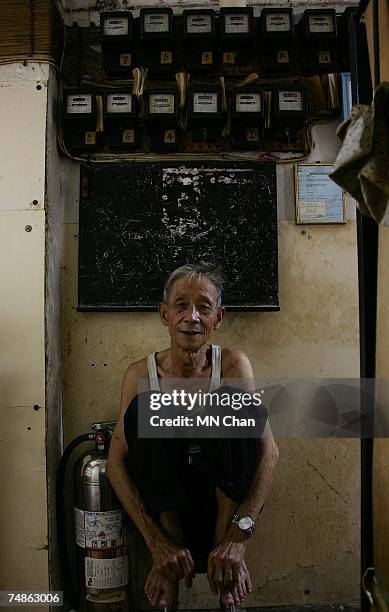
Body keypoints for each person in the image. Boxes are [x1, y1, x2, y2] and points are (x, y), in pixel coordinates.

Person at [106, 263, 279, 610]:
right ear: (164, 314)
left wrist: (238, 537)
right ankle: (170, 564)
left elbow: (268, 452)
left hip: (220, 508)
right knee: (145, 409)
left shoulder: (233, 365)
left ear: (219, 317)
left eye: (204, 306)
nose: (192, 316)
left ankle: (224, 557)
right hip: (165, 508)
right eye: (181, 305)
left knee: (235, 404)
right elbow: (115, 464)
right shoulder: (140, 373)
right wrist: (155, 543)